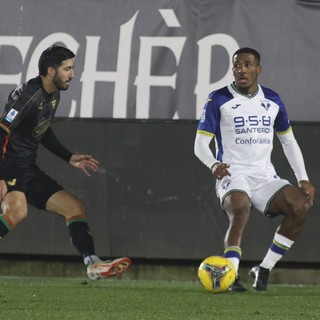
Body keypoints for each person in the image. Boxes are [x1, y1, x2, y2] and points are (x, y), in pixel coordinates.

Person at [0, 45, 131, 280]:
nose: (72, 74)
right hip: (9, 165)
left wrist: (68, 156)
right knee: (17, 211)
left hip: (28, 168)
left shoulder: (52, 94)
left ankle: (93, 264)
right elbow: (1, 131)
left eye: (73, 68)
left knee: (75, 209)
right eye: (67, 68)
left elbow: (42, 130)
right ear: (51, 71)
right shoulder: (30, 95)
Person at [194, 47, 315, 292]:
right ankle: (231, 275)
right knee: (240, 208)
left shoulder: (272, 100)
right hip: (232, 173)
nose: (242, 70)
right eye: (237, 65)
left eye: (248, 65)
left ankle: (264, 268)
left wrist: (303, 178)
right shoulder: (218, 99)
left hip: (263, 176)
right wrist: (214, 164)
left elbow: (288, 141)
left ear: (258, 69)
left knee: (300, 207)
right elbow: (199, 143)